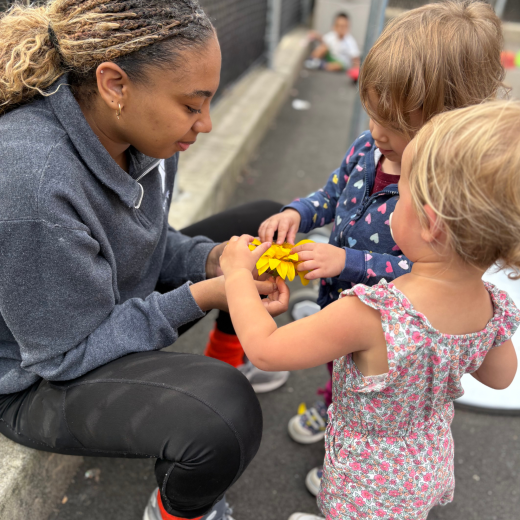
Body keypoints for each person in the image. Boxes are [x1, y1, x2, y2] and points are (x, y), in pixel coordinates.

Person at [0, 2, 289, 520]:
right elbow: (66, 355)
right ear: (115, 85)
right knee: (223, 416)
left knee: (263, 228)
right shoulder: (33, 182)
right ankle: (176, 511)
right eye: (192, 105)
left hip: (104, 308)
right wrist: (206, 293)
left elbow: (149, 243)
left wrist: (214, 260)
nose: (206, 123)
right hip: (37, 377)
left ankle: (225, 355)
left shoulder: (145, 133)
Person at [221, 99, 520, 520]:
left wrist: (235, 275)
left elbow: (267, 350)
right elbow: (502, 375)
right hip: (424, 465)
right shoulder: (490, 307)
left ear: (430, 222)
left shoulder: (375, 312)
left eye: (400, 196)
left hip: (366, 482)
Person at [258, 0, 506, 498]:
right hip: (341, 310)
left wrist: (345, 259)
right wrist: (299, 214)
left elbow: (426, 274)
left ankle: (355, 464)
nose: (376, 133)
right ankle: (333, 411)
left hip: (387, 335)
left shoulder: (440, 200)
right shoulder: (369, 150)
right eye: (373, 113)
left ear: (447, 124)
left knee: (374, 395)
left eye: (394, 124)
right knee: (340, 374)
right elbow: (331, 193)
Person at [305, 12, 360, 78]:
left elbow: (355, 57)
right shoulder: (332, 35)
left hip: (341, 62)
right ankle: (312, 60)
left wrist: (356, 69)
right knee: (323, 47)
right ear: (334, 26)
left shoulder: (350, 41)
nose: (341, 29)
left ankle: (319, 64)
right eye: (339, 26)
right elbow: (323, 40)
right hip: (331, 57)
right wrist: (316, 35)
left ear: (348, 27)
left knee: (337, 66)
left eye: (344, 26)